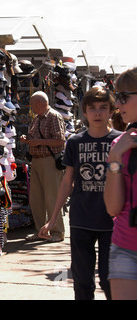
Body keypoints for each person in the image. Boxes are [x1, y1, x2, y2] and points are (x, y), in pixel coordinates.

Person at [39, 87, 121, 300]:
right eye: (92, 108)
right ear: (84, 111)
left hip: (113, 223)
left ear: (111, 111)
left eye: (103, 108)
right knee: (83, 282)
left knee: (110, 280)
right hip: (81, 220)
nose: (97, 113)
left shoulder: (121, 142)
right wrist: (53, 219)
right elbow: (67, 183)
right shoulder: (75, 142)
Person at [104, 67, 137, 300]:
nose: (118, 104)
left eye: (123, 97)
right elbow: (113, 209)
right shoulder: (119, 143)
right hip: (125, 246)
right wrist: (115, 158)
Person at [19, 91, 66, 242]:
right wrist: (28, 140)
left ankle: (57, 232)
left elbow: (60, 140)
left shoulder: (54, 116)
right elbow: (37, 138)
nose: (32, 107)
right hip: (37, 161)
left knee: (52, 198)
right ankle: (41, 230)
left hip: (49, 161)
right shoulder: (37, 119)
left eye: (33, 104)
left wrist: (38, 142)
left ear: (40, 103)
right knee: (36, 199)